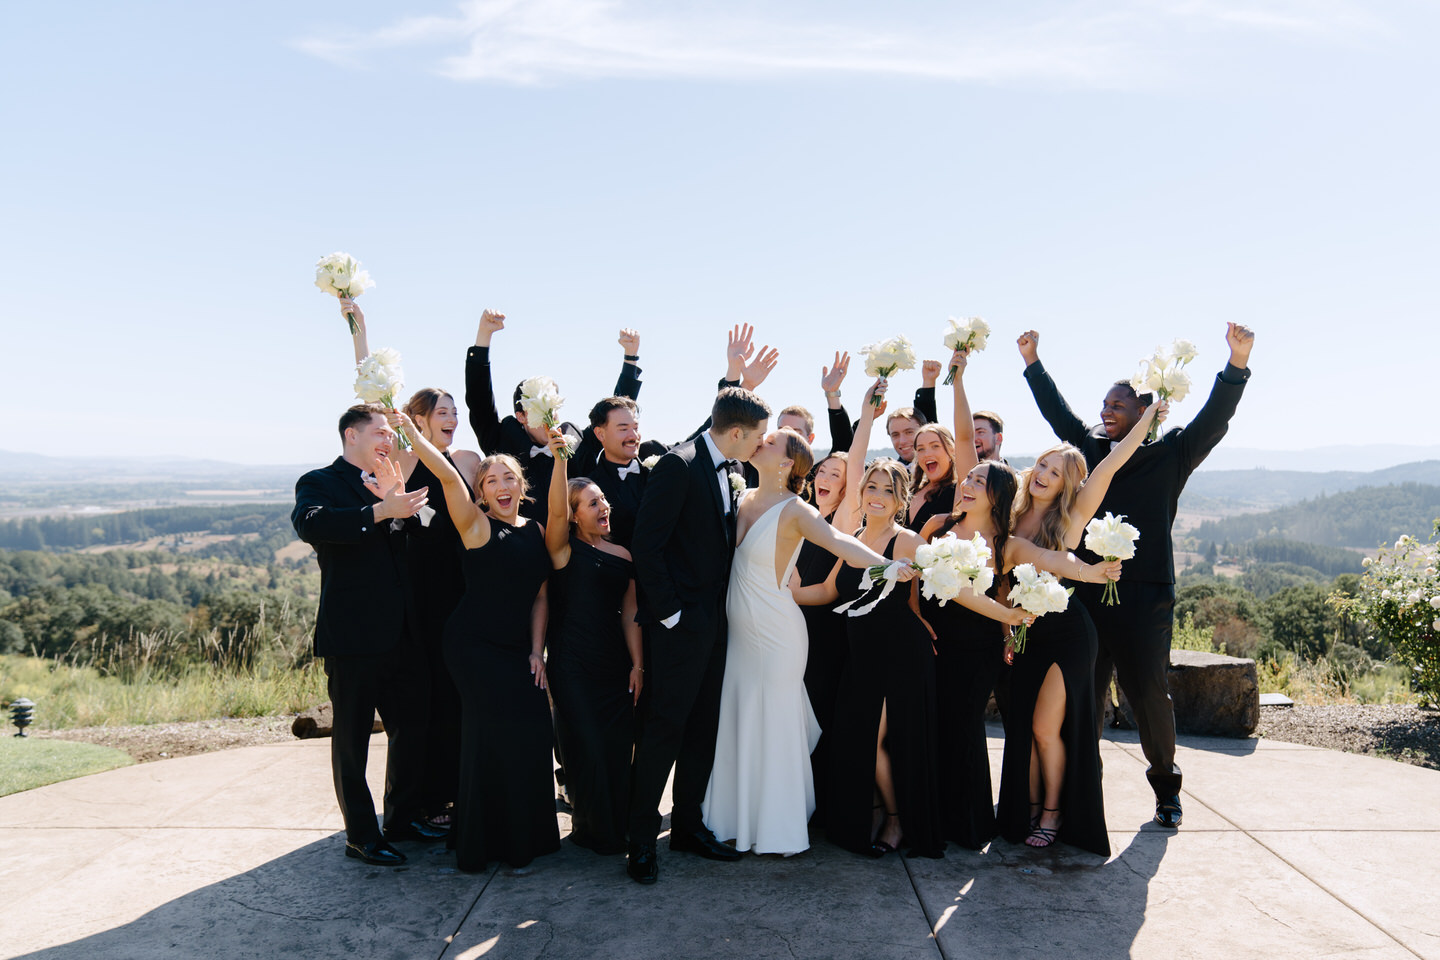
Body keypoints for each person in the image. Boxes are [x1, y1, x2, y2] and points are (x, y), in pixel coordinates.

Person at [1018, 323, 1254, 828]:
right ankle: (1083, 794)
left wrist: (1236, 364)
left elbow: (1214, 419)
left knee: (1147, 692)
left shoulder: (1173, 454)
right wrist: (1033, 362)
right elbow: (1057, 410)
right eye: (1104, 404)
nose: (1106, 412)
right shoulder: (1090, 448)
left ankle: (1166, 787)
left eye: (1117, 405)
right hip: (1083, 590)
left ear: (1145, 410)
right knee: (1085, 692)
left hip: (1146, 596)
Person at [916, 349, 1105, 850]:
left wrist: (1091, 571)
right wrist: (957, 380)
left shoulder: (1008, 542)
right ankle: (951, 816)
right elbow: (962, 443)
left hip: (991, 642)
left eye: (979, 479)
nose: (969, 482)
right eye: (968, 478)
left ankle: (1006, 818)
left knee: (983, 731)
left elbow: (1056, 566)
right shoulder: (940, 524)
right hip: (963, 640)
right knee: (986, 732)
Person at [703, 428, 904, 856]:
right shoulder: (741, 499)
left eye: (772, 440)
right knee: (740, 716)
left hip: (777, 633)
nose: (761, 441)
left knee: (773, 720)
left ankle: (777, 827)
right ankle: (735, 817)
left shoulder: (796, 510)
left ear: (788, 462)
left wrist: (886, 565)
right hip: (738, 633)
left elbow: (840, 542)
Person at [996, 396, 1166, 856]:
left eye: (1055, 471)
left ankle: (1053, 812)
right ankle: (1027, 806)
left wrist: (1146, 422)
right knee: (1024, 731)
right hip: (1024, 633)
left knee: (1046, 729)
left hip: (1068, 634)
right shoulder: (1010, 516)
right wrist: (1009, 630)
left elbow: (1109, 465)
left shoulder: (1069, 518)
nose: (1044, 474)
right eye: (1042, 465)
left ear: (1068, 483)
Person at [398, 413, 561, 872]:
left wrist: (536, 650)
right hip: (473, 647)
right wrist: (413, 436)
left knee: (531, 732)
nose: (501, 485)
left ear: (521, 484)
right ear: (482, 492)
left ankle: (528, 835)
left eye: (509, 477)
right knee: (491, 736)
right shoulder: (476, 526)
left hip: (517, 649)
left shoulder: (537, 530)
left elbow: (541, 596)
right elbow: (450, 479)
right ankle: (485, 842)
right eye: (491, 480)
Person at [339, 295, 478, 827]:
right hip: (416, 589)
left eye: (455, 413)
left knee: (455, 695)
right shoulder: (398, 457)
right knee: (424, 702)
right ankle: (421, 802)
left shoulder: (464, 460)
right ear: (415, 419)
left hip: (459, 586)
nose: (452, 419)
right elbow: (370, 389)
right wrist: (359, 332)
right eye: (441, 413)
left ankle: (457, 794)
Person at [625, 386, 772, 885]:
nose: (760, 445)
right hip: (680, 628)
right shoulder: (678, 465)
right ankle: (642, 840)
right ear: (736, 432)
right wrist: (671, 617)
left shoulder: (731, 470)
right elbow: (648, 545)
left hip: (719, 625)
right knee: (663, 731)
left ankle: (689, 825)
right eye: (757, 437)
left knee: (703, 728)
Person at [291, 403, 441, 866]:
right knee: (351, 741)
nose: (386, 441)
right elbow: (311, 524)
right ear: (350, 436)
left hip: (404, 634)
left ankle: (402, 818)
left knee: (413, 729)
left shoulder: (394, 478)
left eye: (389, 434)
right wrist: (380, 510)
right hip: (353, 637)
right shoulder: (319, 482)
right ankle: (361, 834)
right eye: (378, 432)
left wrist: (406, 510)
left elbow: (418, 546)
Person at [821, 379, 944, 859]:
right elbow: (829, 590)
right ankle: (875, 812)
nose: (874, 494)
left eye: (886, 489)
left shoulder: (909, 541)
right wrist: (774, 594)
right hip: (861, 656)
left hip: (900, 654)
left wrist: (1006, 615)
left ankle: (895, 819)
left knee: (882, 744)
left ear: (901, 498)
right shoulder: (852, 533)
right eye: (870, 486)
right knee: (858, 741)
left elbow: (950, 585)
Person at [542, 436, 644, 855]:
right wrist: (561, 460)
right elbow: (551, 510)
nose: (602, 507)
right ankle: (591, 829)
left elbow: (632, 613)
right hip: (572, 667)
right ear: (573, 515)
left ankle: (619, 826)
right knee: (586, 749)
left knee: (619, 750)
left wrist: (638, 665)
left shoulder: (623, 553)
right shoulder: (562, 551)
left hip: (614, 666)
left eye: (602, 500)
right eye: (591, 503)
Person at [466, 310, 644, 520]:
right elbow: (480, 401)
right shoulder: (502, 437)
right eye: (539, 410)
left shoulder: (574, 439)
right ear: (521, 416)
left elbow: (613, 417)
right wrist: (483, 337)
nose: (548, 417)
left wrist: (630, 358)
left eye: (552, 408)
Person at [794, 451, 849, 822]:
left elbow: (826, 591)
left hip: (825, 635)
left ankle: (821, 806)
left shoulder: (841, 526)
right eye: (822, 470)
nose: (825, 478)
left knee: (819, 716)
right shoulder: (799, 515)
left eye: (837, 474)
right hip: (788, 629)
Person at [830, 357, 942, 465]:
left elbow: (931, 430)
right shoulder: (886, 473)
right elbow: (846, 453)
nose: (902, 441)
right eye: (895, 435)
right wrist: (868, 416)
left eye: (909, 432)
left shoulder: (942, 471)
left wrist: (929, 382)